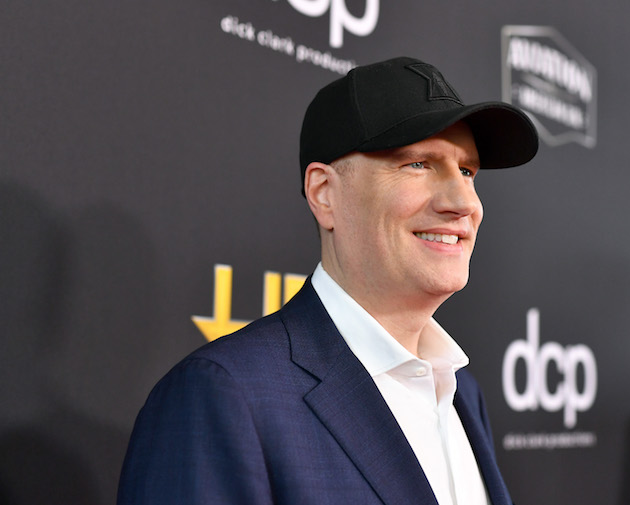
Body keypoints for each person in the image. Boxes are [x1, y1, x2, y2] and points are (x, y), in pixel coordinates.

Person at [117, 56, 538, 505]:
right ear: (324, 194)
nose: (464, 203)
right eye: (418, 164)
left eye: (467, 171)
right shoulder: (223, 396)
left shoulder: (461, 391)